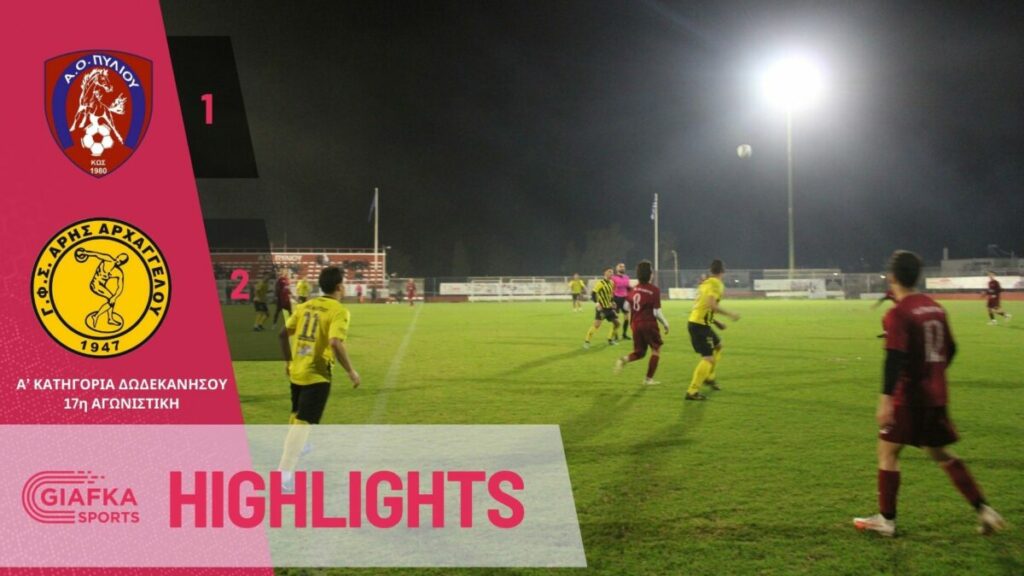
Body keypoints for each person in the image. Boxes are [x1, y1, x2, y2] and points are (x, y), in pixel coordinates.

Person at [853, 251, 1004, 537]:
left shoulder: (898, 314)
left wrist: (885, 400)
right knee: (940, 452)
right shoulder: (935, 307)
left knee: (887, 451)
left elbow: (894, 359)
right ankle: (984, 509)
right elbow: (952, 349)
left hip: (909, 397)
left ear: (892, 276)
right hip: (936, 395)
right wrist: (933, 373)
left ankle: (886, 519)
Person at [276, 266, 361, 491]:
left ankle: (300, 446)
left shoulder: (304, 306)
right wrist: (351, 371)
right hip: (317, 374)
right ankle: (284, 473)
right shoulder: (338, 311)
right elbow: (335, 342)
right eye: (344, 283)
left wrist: (288, 361)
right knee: (303, 422)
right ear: (339, 286)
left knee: (297, 414)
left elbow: (282, 334)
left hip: (297, 369)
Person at [685, 260, 739, 401]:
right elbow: (712, 305)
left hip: (699, 322)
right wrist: (730, 314)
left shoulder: (705, 283)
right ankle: (692, 391)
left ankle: (709, 377)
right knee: (708, 358)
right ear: (723, 271)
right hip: (699, 325)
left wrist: (716, 322)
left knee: (718, 345)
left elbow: (703, 306)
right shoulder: (716, 284)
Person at [614, 261, 669, 385]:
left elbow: (626, 307)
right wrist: (665, 324)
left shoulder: (633, 289)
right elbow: (656, 312)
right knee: (656, 349)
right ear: (650, 274)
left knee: (640, 352)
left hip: (635, 324)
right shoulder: (654, 290)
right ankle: (648, 379)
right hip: (649, 323)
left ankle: (624, 360)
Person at [584, 269, 620, 349]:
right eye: (609, 272)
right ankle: (587, 342)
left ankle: (610, 339)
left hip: (609, 308)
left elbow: (610, 295)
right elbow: (593, 294)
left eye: (612, 272)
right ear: (605, 273)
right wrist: (597, 303)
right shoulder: (600, 283)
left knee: (617, 323)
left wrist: (613, 302)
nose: (611, 273)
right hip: (602, 308)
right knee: (596, 325)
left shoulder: (612, 283)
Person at [612, 262, 632, 340]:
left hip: (625, 299)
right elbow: (611, 289)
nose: (622, 268)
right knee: (616, 318)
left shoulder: (627, 277)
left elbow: (628, 288)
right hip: (616, 298)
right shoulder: (613, 278)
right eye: (620, 266)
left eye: (623, 266)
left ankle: (624, 334)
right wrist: (611, 300)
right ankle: (615, 335)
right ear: (616, 268)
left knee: (627, 317)